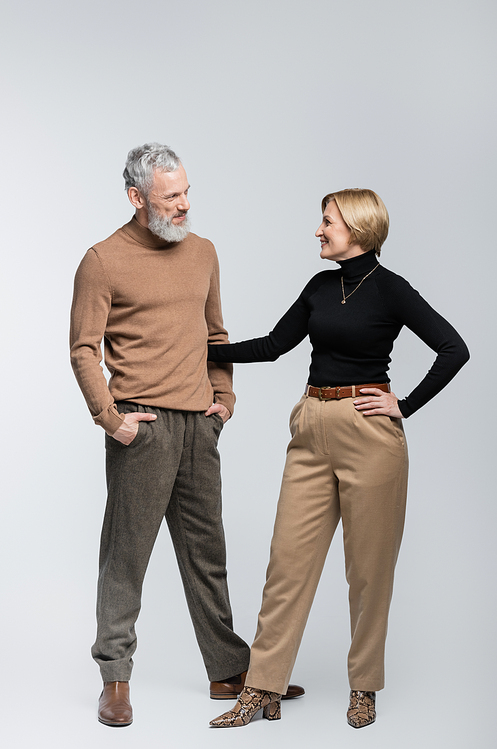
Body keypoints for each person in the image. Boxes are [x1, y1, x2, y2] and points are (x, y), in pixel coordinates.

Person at [208, 188, 469, 729]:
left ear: (357, 228)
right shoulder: (321, 286)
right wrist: (200, 348)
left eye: (327, 222)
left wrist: (406, 404)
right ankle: (263, 686)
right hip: (311, 426)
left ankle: (364, 688)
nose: (319, 231)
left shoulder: (392, 290)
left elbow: (453, 348)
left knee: (368, 572)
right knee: (287, 564)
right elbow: (275, 345)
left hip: (370, 434)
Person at [70, 143, 304, 727]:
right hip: (142, 426)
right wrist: (110, 417)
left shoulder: (202, 252)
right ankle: (115, 679)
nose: (184, 204)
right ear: (136, 197)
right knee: (126, 555)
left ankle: (227, 670)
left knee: (207, 551)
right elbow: (82, 349)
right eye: (171, 196)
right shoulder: (102, 259)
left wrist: (223, 401)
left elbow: (216, 333)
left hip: (199, 427)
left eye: (186, 191)